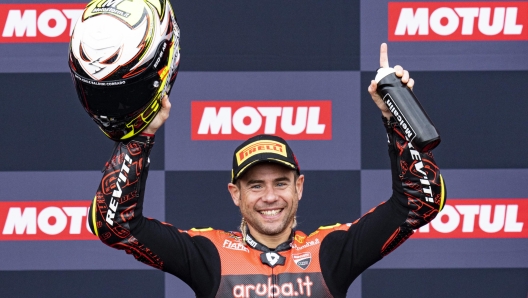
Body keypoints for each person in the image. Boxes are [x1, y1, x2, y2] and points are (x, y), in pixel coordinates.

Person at [86, 42, 445, 297]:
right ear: (235, 194)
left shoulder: (329, 252)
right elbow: (115, 225)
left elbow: (419, 204)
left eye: (281, 183)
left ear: (299, 187)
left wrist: (396, 112)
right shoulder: (207, 255)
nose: (270, 197)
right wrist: (142, 135)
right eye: (255, 186)